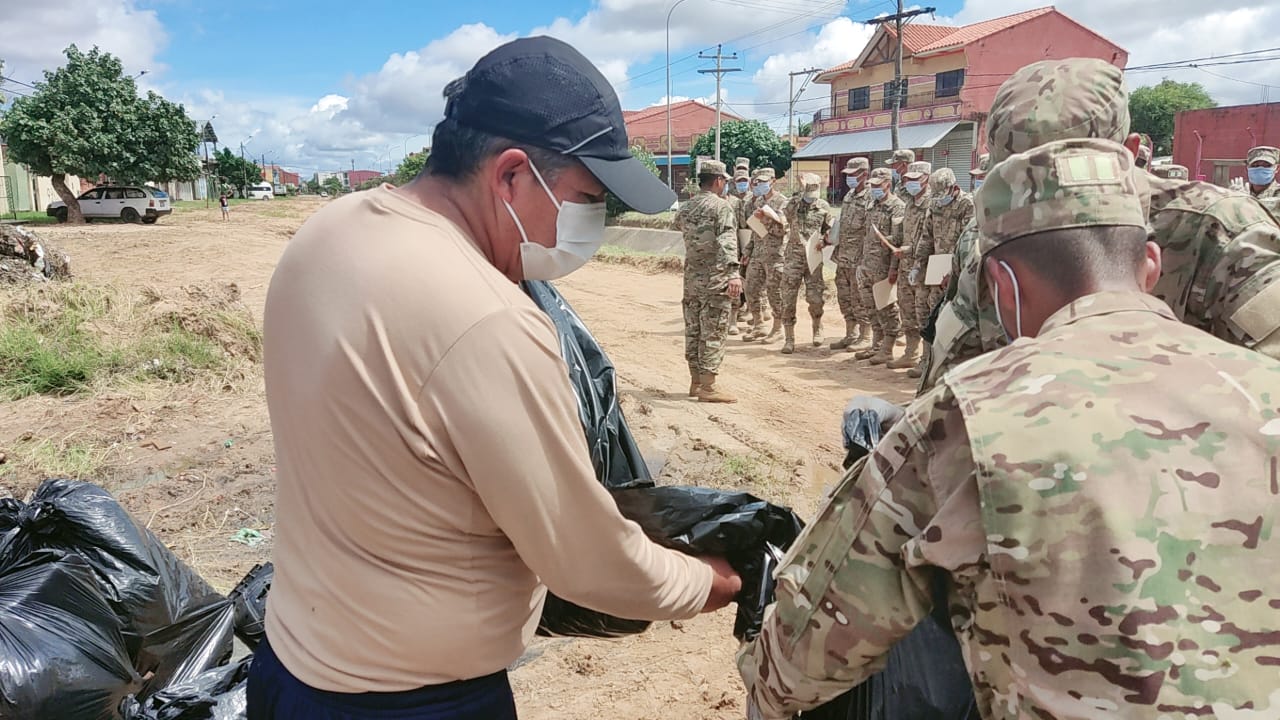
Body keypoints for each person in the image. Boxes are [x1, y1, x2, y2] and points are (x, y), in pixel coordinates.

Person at [253, 36, 741, 720]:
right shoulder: (485, 317)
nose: (591, 226)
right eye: (585, 198)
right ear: (512, 175)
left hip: (293, 663)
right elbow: (585, 559)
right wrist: (704, 581)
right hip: (408, 702)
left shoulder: (329, 231)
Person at [739, 137, 1280, 719]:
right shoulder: (1264, 388)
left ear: (1000, 285)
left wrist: (757, 668)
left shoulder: (968, 416)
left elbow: (803, 656)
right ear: (1150, 265)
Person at [919, 57, 1280, 391]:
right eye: (1021, 179)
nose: (1046, 197)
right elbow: (954, 381)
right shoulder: (986, 236)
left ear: (1131, 152)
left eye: (1071, 170)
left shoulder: (1222, 235)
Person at [674, 159, 742, 402]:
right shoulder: (721, 207)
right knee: (713, 331)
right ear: (718, 181)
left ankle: (695, 381)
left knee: (694, 330)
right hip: (715, 279)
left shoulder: (686, 207)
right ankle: (709, 386)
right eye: (724, 181)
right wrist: (734, 273)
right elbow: (727, 239)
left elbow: (679, 227)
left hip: (692, 278)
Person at [906, 166, 974, 380]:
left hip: (955, 272)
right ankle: (926, 360)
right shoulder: (935, 204)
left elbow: (967, 241)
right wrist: (918, 264)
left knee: (947, 318)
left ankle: (944, 365)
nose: (938, 200)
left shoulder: (967, 204)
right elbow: (926, 236)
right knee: (925, 313)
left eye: (941, 195)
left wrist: (955, 271)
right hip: (934, 269)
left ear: (953, 188)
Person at [779, 173, 835, 354]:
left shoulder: (823, 207)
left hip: (813, 258)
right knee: (788, 299)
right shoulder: (795, 204)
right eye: (808, 192)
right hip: (793, 258)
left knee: (816, 298)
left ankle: (817, 327)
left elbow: (831, 231)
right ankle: (789, 338)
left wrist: (825, 242)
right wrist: (799, 192)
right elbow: (785, 212)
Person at [854, 168, 905, 364]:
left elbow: (897, 242)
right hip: (867, 265)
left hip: (884, 267)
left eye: (878, 184)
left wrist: (894, 269)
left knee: (887, 308)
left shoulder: (896, 207)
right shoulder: (871, 205)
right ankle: (876, 344)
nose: (874, 188)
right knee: (870, 306)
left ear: (888, 184)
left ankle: (888, 348)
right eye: (872, 184)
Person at [886, 161, 931, 370]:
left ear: (926, 179)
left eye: (915, 179)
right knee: (907, 311)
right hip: (905, 266)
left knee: (924, 315)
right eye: (908, 180)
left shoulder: (933, 204)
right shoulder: (910, 204)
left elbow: (930, 239)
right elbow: (902, 237)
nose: (910, 183)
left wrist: (909, 251)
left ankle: (926, 359)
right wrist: (894, 265)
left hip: (924, 269)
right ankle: (910, 353)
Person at [745, 168, 790, 343]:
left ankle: (778, 328)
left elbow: (781, 230)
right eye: (758, 182)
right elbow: (755, 232)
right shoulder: (758, 202)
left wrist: (765, 218)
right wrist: (748, 251)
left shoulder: (782, 203)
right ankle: (758, 325)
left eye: (764, 181)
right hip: (758, 253)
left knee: (774, 292)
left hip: (775, 255)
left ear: (773, 181)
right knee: (751, 289)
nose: (761, 185)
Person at [831, 158, 871, 350]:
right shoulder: (849, 196)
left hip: (860, 258)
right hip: (844, 256)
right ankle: (850, 333)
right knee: (844, 296)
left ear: (864, 174)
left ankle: (865, 336)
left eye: (853, 174)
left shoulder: (871, 197)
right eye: (848, 175)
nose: (849, 178)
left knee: (860, 298)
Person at [725, 166, 751, 336]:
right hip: (719, 250)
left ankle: (735, 318)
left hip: (737, 247)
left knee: (740, 282)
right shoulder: (717, 202)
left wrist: (745, 250)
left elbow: (744, 228)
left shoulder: (739, 203)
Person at [1246, 145, 1279, 214]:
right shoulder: (1242, 192)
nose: (1260, 169)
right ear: (1247, 167)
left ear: (1277, 168)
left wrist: (1243, 202)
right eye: (1255, 165)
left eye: (1267, 165)